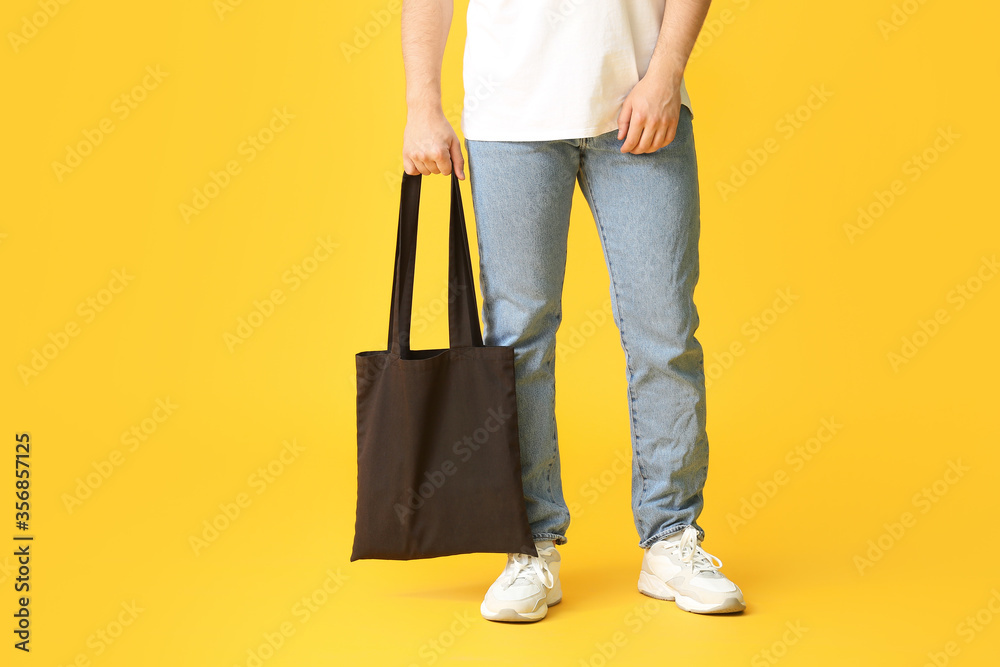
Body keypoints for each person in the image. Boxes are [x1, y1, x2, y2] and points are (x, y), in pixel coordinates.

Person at [400, 0, 746, 622]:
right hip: (510, 117)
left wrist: (666, 74)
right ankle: (528, 543)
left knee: (665, 330)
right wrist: (422, 106)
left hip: (641, 105)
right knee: (517, 339)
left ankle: (671, 539)